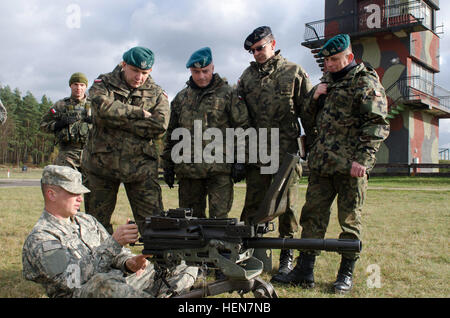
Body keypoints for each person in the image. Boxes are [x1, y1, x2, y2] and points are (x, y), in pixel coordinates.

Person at [277, 34, 390, 294]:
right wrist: (314, 96)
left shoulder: (364, 81)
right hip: (321, 165)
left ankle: (345, 274)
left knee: (349, 221)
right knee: (312, 217)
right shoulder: (326, 82)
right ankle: (305, 271)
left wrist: (363, 159)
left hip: (350, 167)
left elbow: (377, 123)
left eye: (334, 59)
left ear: (349, 57)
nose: (329, 64)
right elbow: (306, 115)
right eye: (326, 60)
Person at [22, 165, 198, 298]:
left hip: (119, 283)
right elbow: (71, 280)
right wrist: (114, 243)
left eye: (80, 193)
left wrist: (129, 262)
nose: (80, 198)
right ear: (51, 194)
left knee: (182, 265)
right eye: (73, 193)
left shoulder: (86, 220)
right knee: (103, 283)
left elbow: (116, 256)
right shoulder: (42, 238)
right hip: (85, 292)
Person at [237, 26, 312, 282]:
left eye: (260, 48)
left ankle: (286, 261)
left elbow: (308, 114)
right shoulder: (246, 77)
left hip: (285, 151)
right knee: (253, 204)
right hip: (256, 152)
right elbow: (240, 118)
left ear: (273, 44)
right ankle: (246, 254)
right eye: (252, 50)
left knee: (287, 207)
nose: (256, 53)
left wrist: (310, 147)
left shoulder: (293, 72)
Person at [81, 46, 169, 234]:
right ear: (124, 65)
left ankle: (159, 263)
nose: (139, 77)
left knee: (154, 225)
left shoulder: (157, 93)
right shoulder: (103, 83)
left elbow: (160, 125)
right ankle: (99, 262)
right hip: (101, 165)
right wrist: (137, 113)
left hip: (141, 168)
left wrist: (116, 121)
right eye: (135, 71)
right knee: (96, 224)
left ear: (150, 71)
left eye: (144, 73)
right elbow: (101, 108)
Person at [161, 47, 249, 219]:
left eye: (205, 71)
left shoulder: (228, 94)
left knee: (219, 221)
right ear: (190, 71)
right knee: (190, 222)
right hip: (188, 172)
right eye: (196, 72)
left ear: (213, 68)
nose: (201, 76)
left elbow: (242, 127)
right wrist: (168, 165)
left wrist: (241, 160)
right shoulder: (181, 98)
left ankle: (219, 247)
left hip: (219, 170)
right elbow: (172, 134)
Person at [40, 72, 92, 171]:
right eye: (75, 84)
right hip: (67, 155)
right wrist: (58, 124)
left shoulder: (95, 105)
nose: (78, 88)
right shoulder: (60, 105)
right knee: (66, 185)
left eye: (82, 85)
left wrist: (96, 121)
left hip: (91, 154)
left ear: (86, 87)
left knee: (90, 186)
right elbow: (43, 125)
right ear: (70, 85)